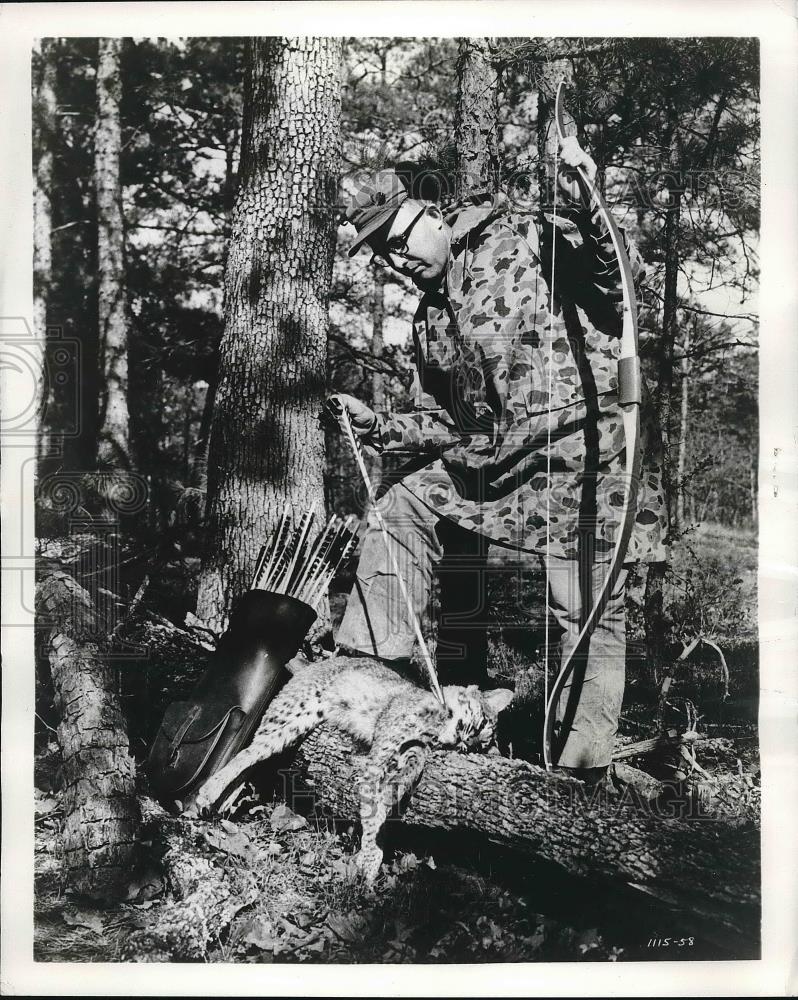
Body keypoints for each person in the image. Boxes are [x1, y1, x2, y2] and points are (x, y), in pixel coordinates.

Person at [322, 135, 667, 782]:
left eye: (397, 240)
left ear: (433, 209)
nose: (394, 263)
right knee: (401, 503)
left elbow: (617, 279)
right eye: (380, 254)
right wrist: (378, 424)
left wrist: (587, 200)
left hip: (578, 454)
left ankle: (576, 774)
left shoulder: (529, 237)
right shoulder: (430, 318)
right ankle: (363, 692)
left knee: (586, 607)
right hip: (493, 464)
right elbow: (439, 420)